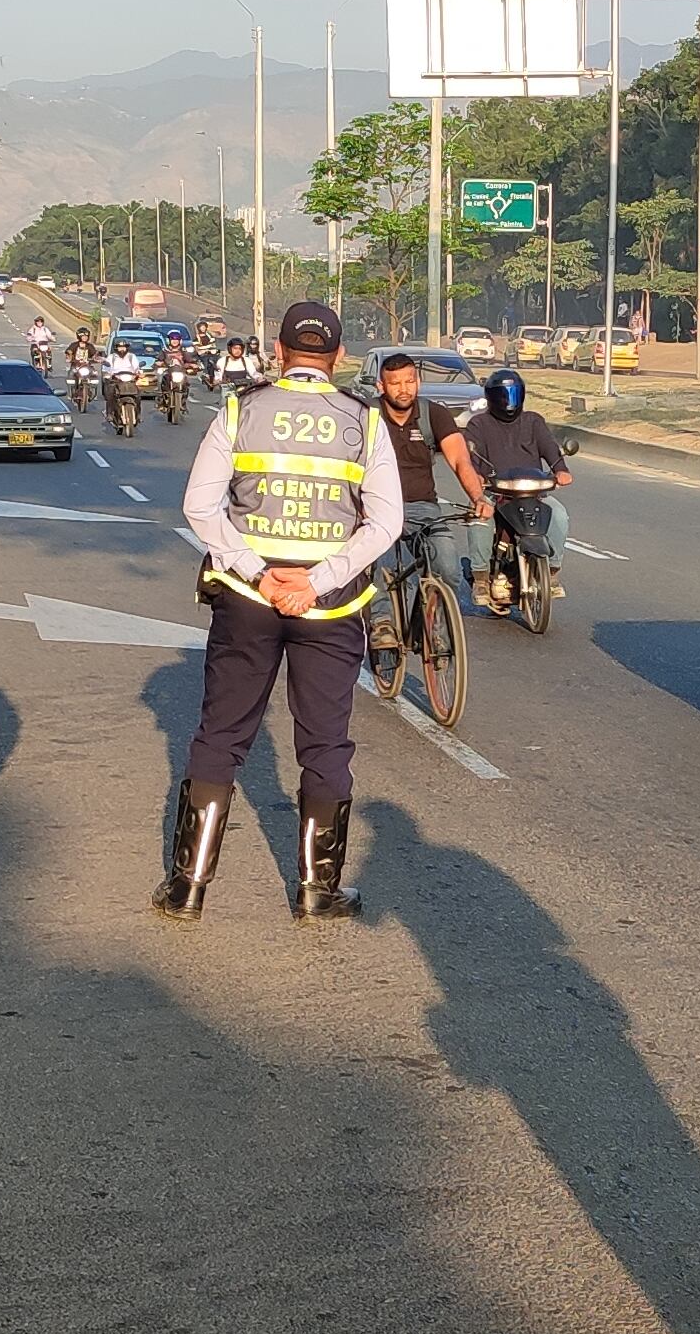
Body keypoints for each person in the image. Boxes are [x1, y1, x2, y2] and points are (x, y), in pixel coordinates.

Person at [158, 300, 401, 923]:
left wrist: (258, 572)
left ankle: (188, 888)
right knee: (324, 744)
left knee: (221, 736)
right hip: (329, 607)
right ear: (339, 357)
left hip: (247, 601)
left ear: (279, 350)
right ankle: (318, 893)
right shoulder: (363, 421)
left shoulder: (241, 408)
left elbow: (200, 507)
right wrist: (314, 581)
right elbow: (386, 524)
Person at [369, 352, 484, 639]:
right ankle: (382, 624)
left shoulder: (434, 414)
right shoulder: (366, 416)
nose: (404, 389)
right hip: (378, 510)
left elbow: (460, 460)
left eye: (410, 381)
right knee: (380, 566)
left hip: (425, 509)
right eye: (395, 383)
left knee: (448, 565)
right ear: (381, 387)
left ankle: (435, 628)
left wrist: (478, 498)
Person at [456, 369, 572, 603]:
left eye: (513, 394)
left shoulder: (533, 421)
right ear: (490, 397)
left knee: (559, 515)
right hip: (495, 491)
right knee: (480, 519)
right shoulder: (478, 424)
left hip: (534, 492)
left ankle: (552, 571)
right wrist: (477, 476)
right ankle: (480, 578)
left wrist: (561, 469)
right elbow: (472, 456)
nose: (508, 401)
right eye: (502, 395)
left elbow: (550, 448)